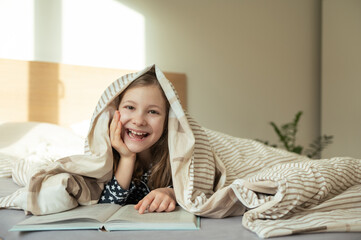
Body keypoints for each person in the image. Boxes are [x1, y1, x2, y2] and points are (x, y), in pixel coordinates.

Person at [98, 70, 176, 214]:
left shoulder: (176, 155)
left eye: (153, 111)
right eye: (130, 107)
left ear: (167, 120)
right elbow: (105, 208)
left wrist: (171, 193)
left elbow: (197, 189)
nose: (139, 121)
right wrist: (127, 157)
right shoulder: (104, 157)